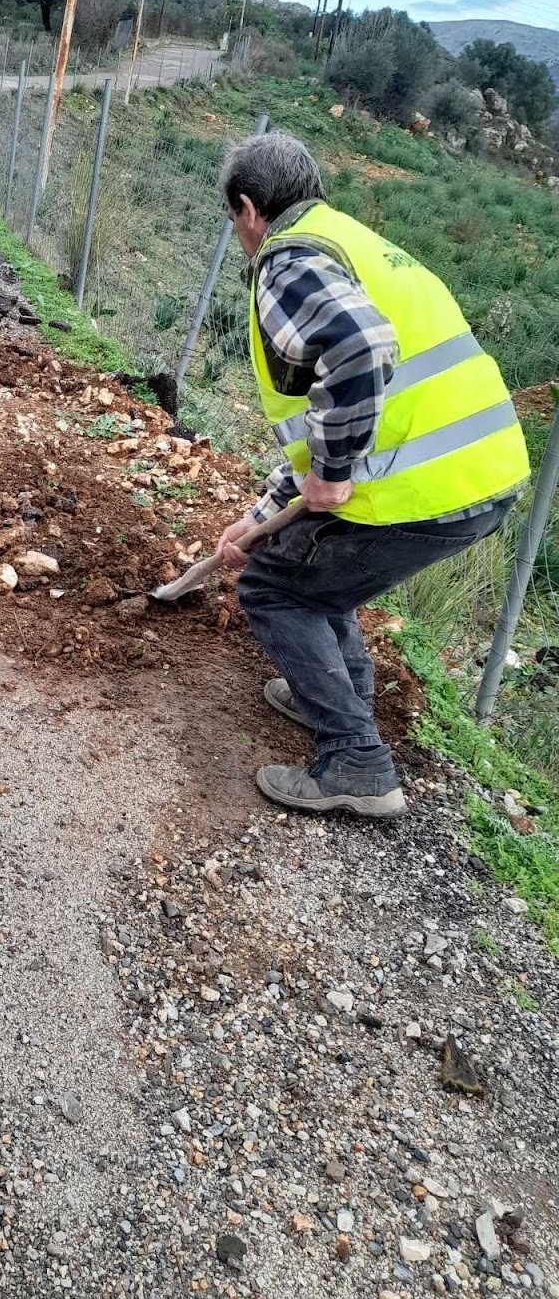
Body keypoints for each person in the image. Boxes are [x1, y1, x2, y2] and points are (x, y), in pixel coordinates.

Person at [214, 132, 529, 817]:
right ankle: (327, 693)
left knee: (274, 588)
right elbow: (325, 411)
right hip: (479, 470)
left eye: (234, 221)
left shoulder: (285, 260)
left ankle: (357, 763)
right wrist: (265, 511)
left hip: (428, 484)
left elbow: (355, 349)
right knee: (319, 577)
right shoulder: (346, 238)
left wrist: (327, 474)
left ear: (247, 208)